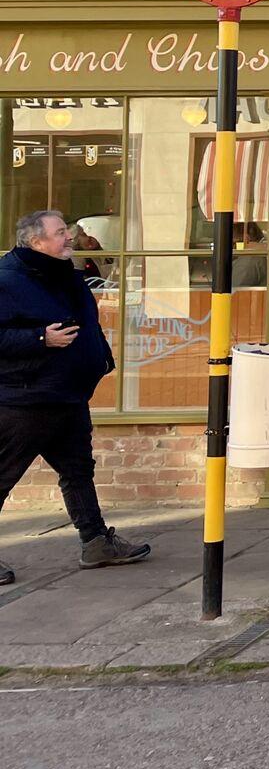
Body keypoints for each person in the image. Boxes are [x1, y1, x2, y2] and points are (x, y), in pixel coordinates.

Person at [0, 210, 149, 584]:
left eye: (67, 230)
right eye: (61, 232)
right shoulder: (7, 280)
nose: (70, 237)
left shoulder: (64, 274)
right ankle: (97, 541)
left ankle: (97, 542)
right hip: (25, 400)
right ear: (36, 242)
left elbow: (86, 323)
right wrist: (39, 338)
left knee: (78, 472)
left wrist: (98, 357)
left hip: (68, 396)